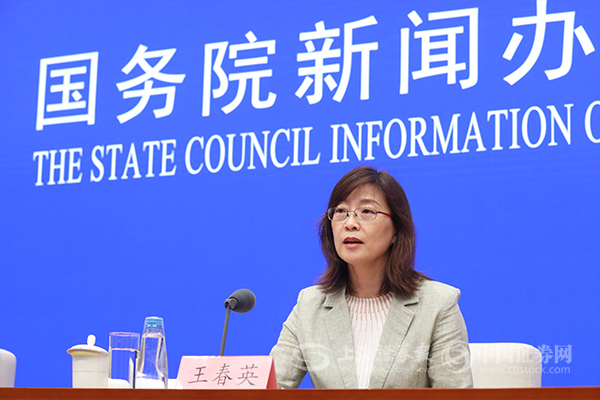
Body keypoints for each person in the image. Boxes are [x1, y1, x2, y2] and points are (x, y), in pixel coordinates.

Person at [270, 166, 473, 389]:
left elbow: (455, 394)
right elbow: (269, 389)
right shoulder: (309, 305)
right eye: (341, 211)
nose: (350, 223)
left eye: (366, 211)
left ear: (396, 230)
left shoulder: (438, 304)